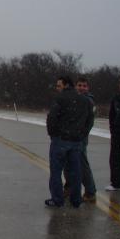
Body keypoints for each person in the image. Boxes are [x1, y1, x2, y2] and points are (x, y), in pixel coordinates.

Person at [45, 76, 94, 208]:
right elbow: (90, 120)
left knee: (56, 171)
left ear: (66, 85)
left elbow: (52, 118)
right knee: (75, 171)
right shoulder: (85, 100)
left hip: (61, 140)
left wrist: (53, 134)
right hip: (76, 141)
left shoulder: (60, 99)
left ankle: (57, 199)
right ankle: (76, 199)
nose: (57, 88)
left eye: (58, 85)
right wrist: (82, 134)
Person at [63, 77, 97, 201]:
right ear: (75, 87)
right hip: (69, 137)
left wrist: (82, 134)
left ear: (87, 88)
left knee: (82, 164)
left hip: (80, 138)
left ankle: (90, 191)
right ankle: (69, 187)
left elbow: (89, 122)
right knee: (67, 164)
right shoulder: (73, 99)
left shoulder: (89, 101)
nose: (82, 88)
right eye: (79, 85)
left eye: (84, 86)